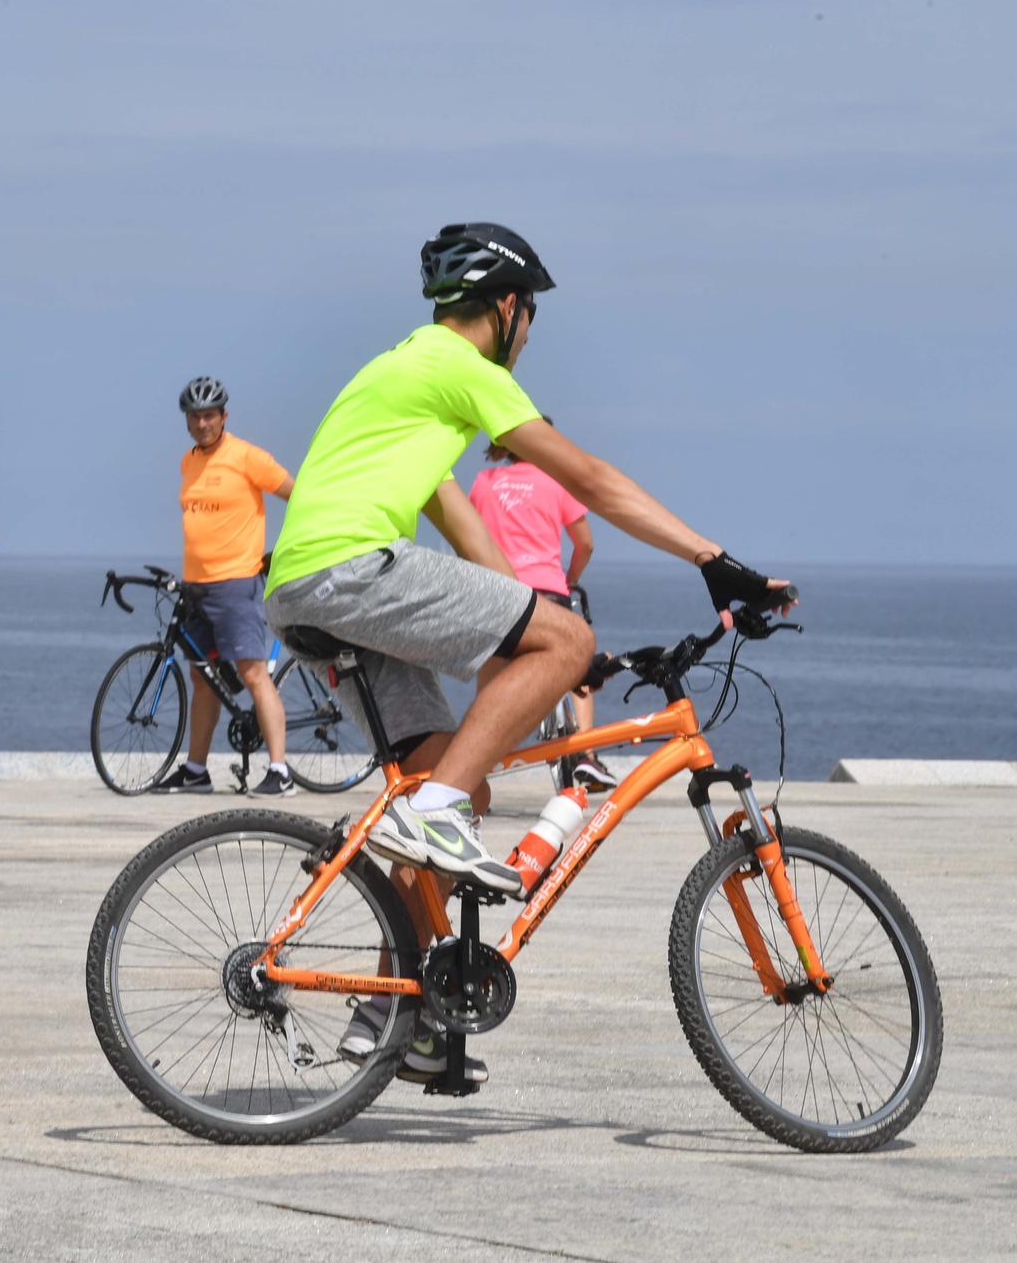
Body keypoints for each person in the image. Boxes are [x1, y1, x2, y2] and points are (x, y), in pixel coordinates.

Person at [263, 223, 793, 1079]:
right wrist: (712, 559)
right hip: (351, 572)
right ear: (508, 307)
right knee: (452, 789)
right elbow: (586, 478)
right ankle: (429, 814)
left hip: (304, 589)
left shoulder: (401, 378)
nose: (530, 332)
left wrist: (547, 636)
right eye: (532, 315)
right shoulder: (458, 368)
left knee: (451, 774)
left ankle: (409, 1019)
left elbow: (466, 528)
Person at [152, 377, 297, 797]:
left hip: (236, 583)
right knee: (202, 680)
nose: (201, 423)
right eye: (194, 417)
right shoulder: (187, 462)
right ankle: (196, 770)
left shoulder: (247, 457)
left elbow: (298, 495)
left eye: (209, 415)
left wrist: (283, 550)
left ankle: (280, 771)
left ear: (223, 416)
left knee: (252, 674)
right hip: (197, 587)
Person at [468, 418, 617, 790]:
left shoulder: (484, 483)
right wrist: (571, 579)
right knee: (577, 670)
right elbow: (586, 543)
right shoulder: (556, 482)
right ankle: (586, 754)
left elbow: (469, 537)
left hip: (498, 597)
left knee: (489, 690)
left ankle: (471, 769)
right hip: (548, 594)